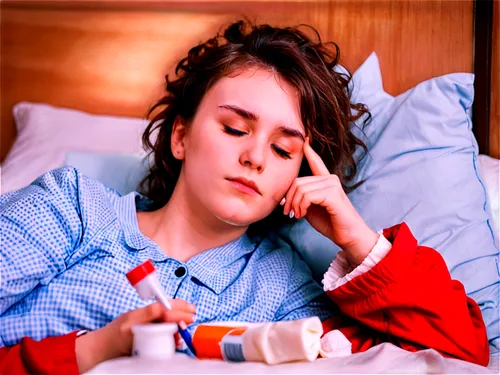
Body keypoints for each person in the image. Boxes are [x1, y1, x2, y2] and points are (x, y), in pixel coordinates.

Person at [0, 20, 489, 373]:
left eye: (282, 149)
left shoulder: (284, 292)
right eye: (235, 128)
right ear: (181, 137)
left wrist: (358, 237)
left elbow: (460, 354)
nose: (256, 157)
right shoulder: (70, 208)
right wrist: (95, 350)